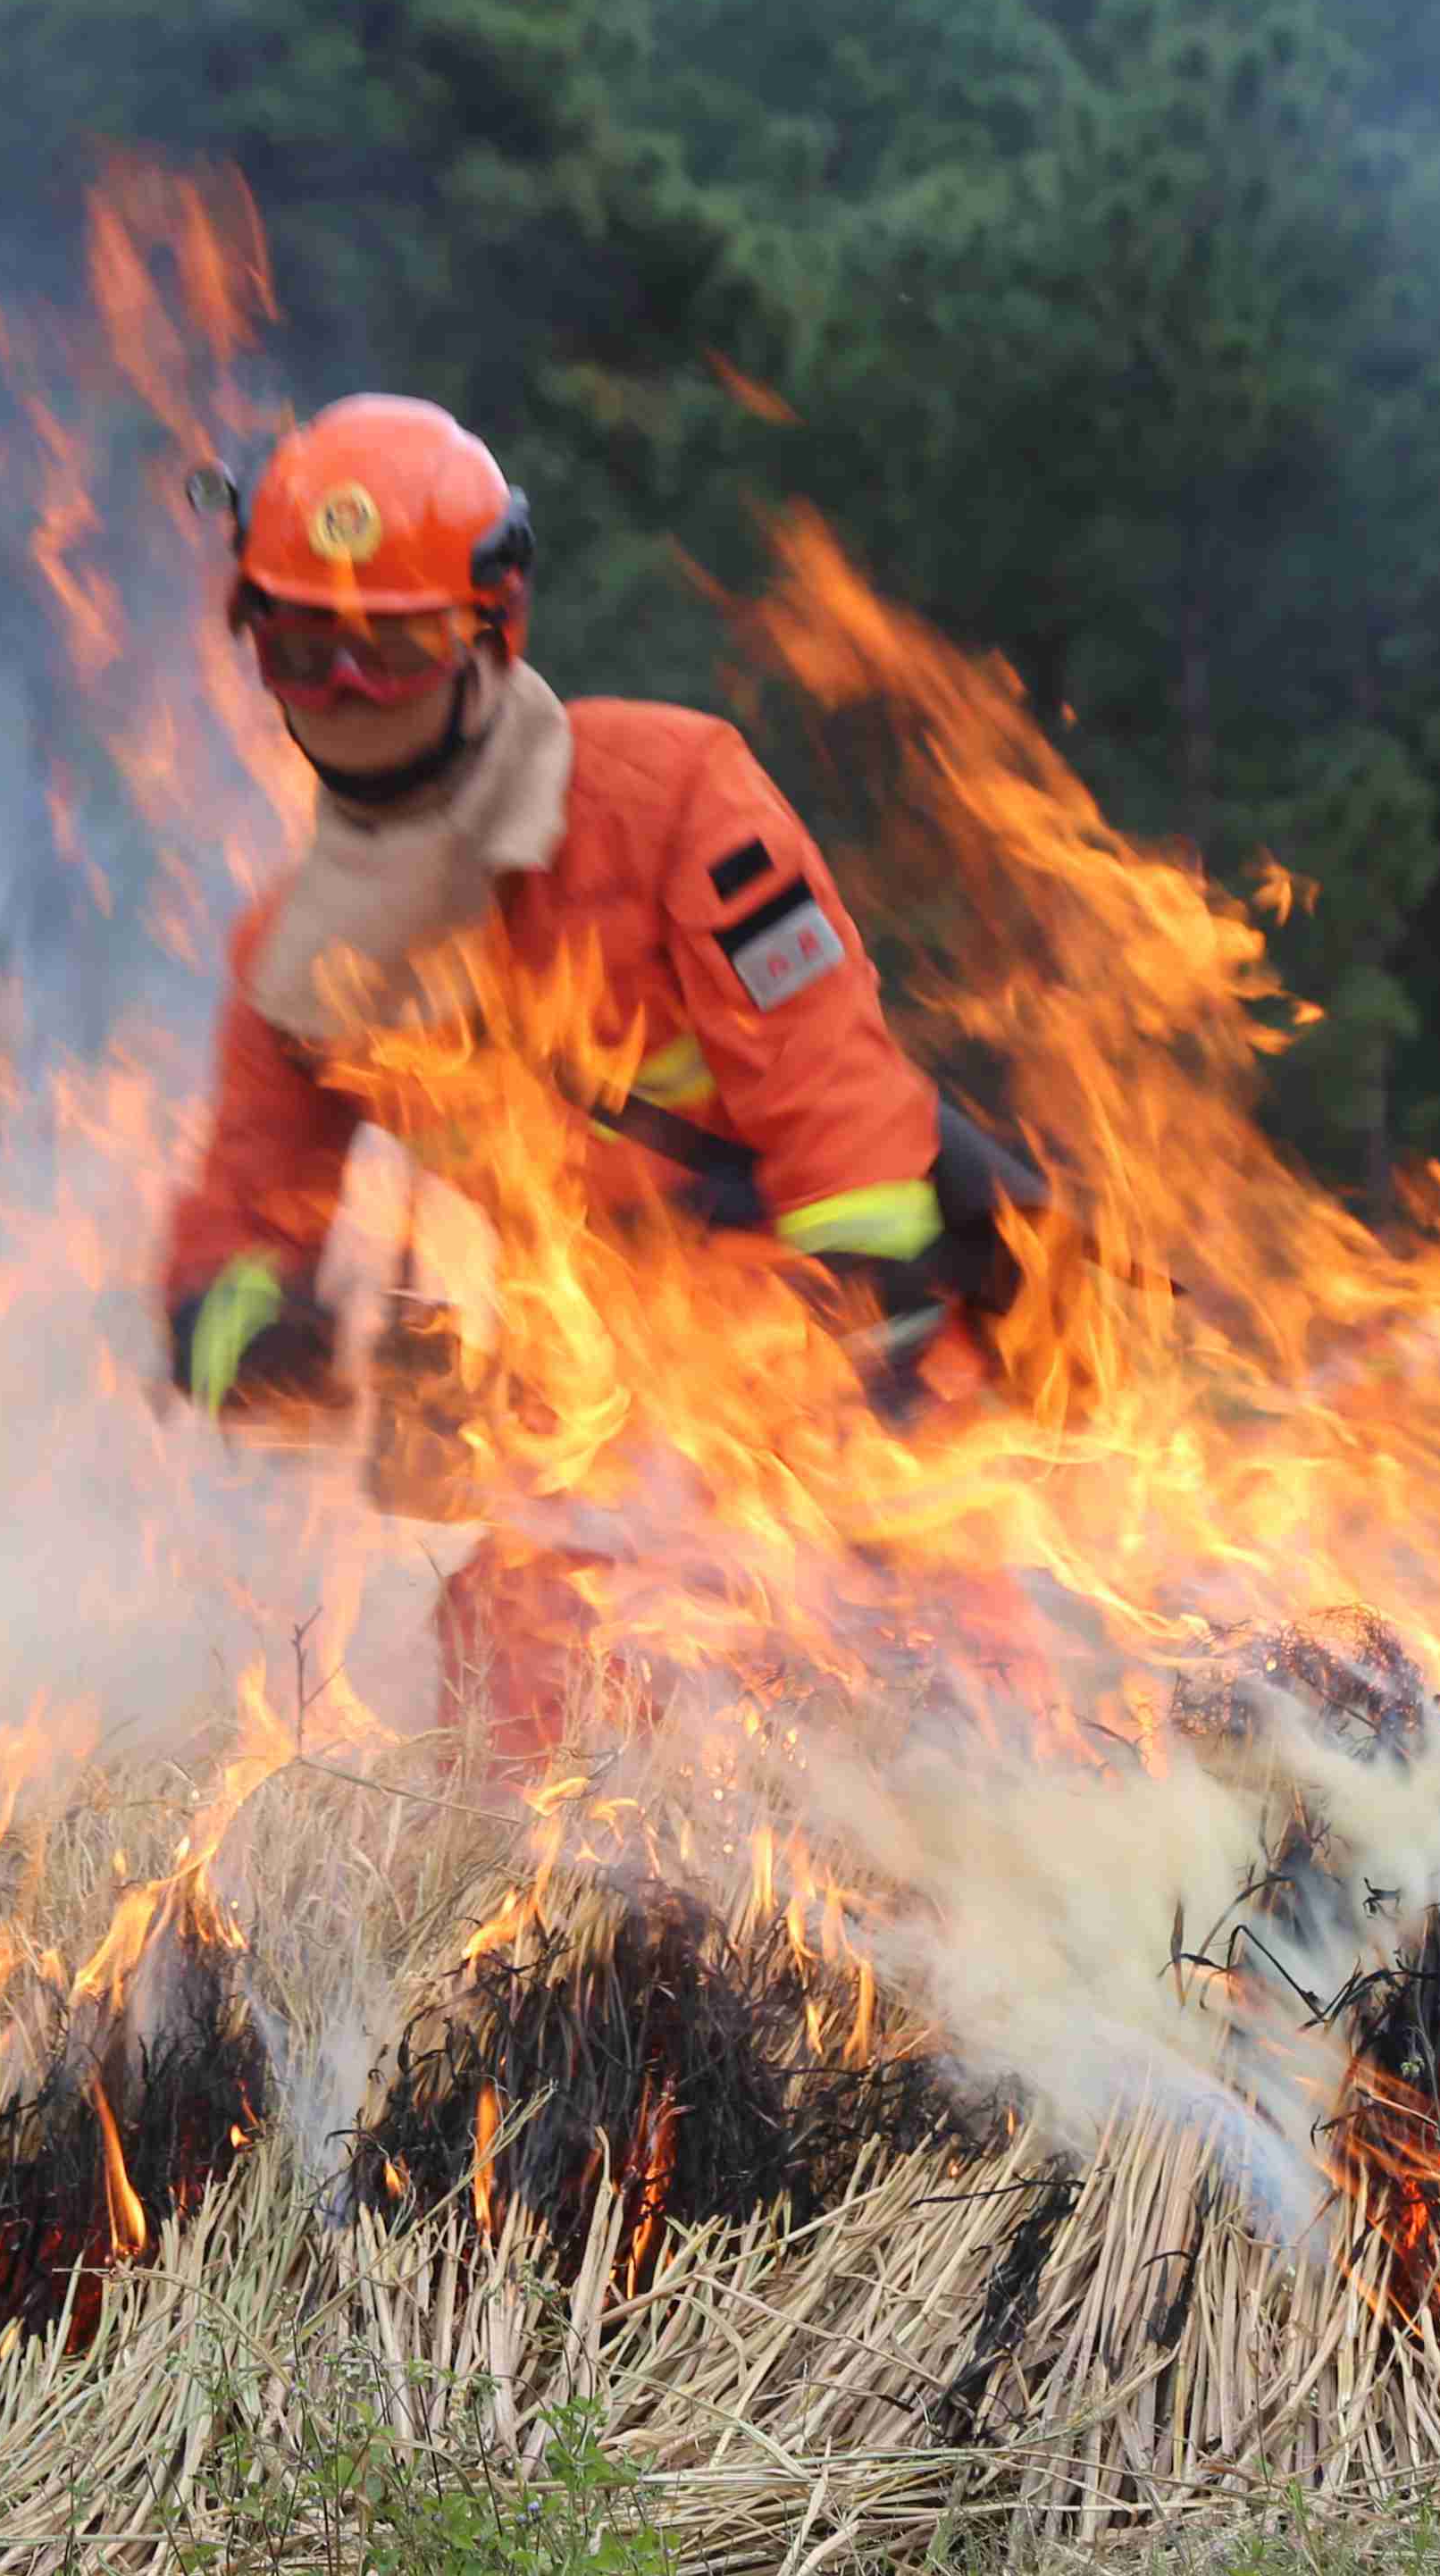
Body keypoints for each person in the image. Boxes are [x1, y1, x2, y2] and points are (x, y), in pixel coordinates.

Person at [151, 397, 1015, 1751]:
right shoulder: (294, 960)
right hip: (584, 1379)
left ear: (492, 627)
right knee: (519, 1694)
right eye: (306, 653)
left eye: (396, 648)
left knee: (937, 1712)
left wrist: (887, 1344)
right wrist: (258, 1339)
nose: (351, 693)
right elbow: (244, 1209)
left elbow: (830, 1091)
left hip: (816, 1334)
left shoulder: (671, 797)